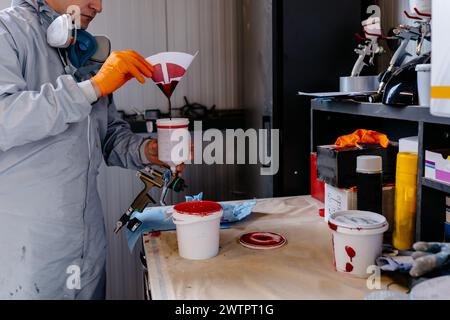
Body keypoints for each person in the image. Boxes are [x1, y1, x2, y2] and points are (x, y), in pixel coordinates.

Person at [0, 0, 183, 299]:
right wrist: (92, 87)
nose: (97, 5)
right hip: (29, 252)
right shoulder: (7, 31)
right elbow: (4, 118)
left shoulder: (83, 51)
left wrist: (146, 151)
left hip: (88, 245)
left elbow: (106, 134)